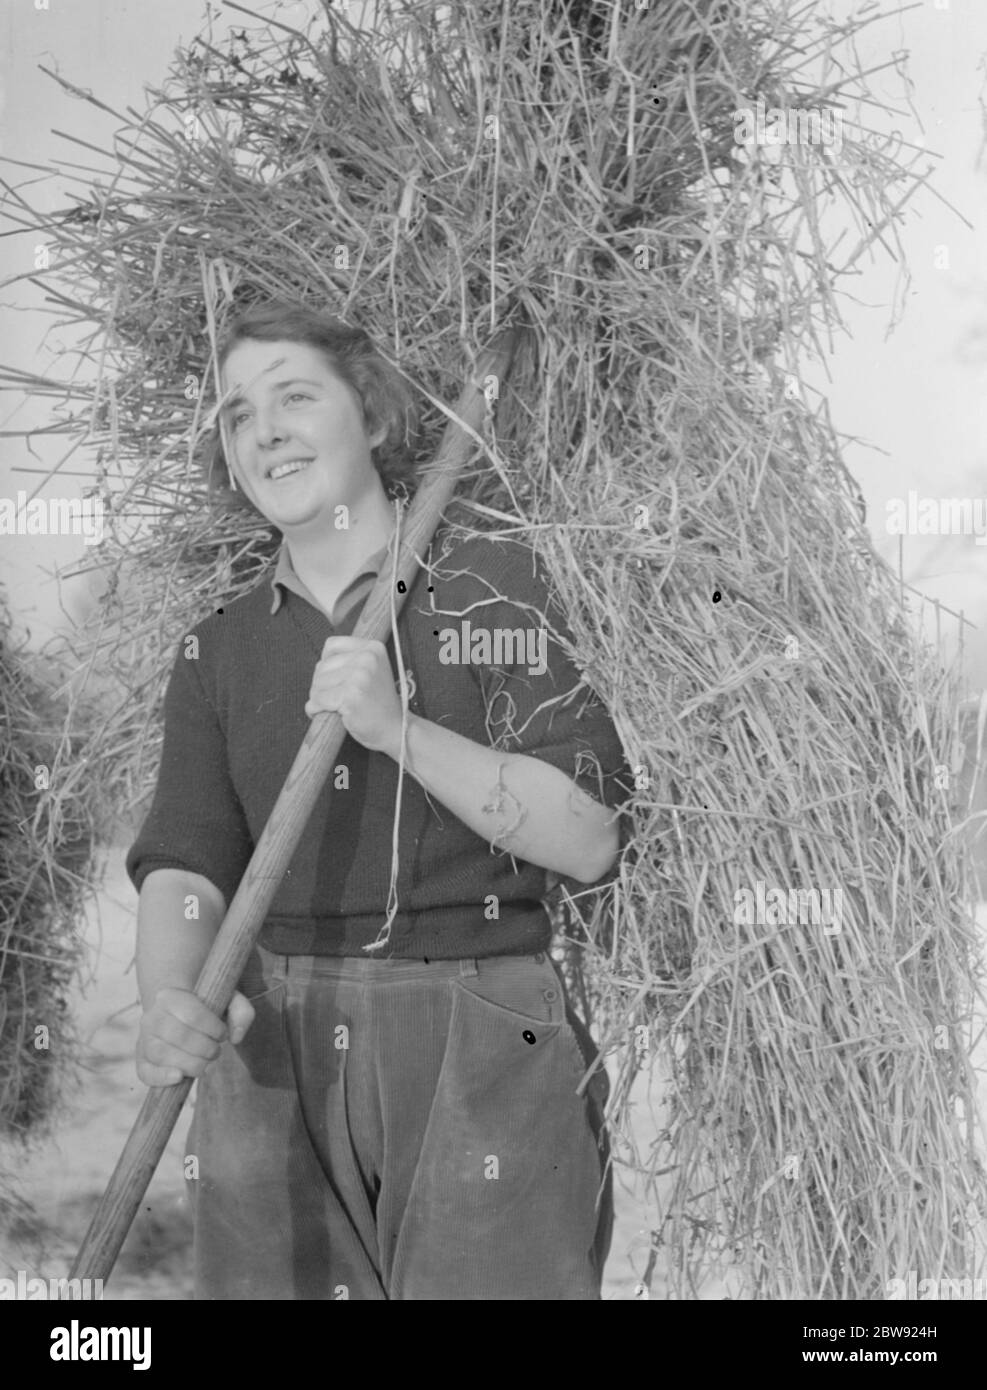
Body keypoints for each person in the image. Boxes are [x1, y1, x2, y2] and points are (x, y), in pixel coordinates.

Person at [126, 299, 631, 1300]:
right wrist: (169, 995)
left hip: (482, 1027)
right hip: (264, 1043)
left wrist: (397, 729)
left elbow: (588, 838)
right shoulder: (218, 647)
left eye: (295, 397)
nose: (262, 428)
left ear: (372, 413)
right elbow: (186, 860)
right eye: (236, 414)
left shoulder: (495, 592)